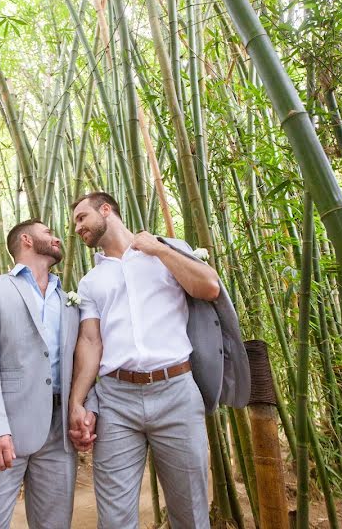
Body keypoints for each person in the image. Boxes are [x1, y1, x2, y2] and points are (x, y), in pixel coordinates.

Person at [68, 192, 221, 529]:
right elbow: (91, 342)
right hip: (116, 401)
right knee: (115, 518)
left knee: (191, 513)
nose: (77, 227)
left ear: (106, 210)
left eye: (82, 217)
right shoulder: (91, 281)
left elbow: (209, 288)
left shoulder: (166, 251)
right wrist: (77, 402)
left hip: (176, 392)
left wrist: (160, 249)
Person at [0, 219, 95, 528]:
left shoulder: (69, 301)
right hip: (6, 429)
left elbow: (85, 363)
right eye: (48, 231)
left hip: (59, 434)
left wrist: (87, 411)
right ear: (26, 240)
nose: (57, 236)